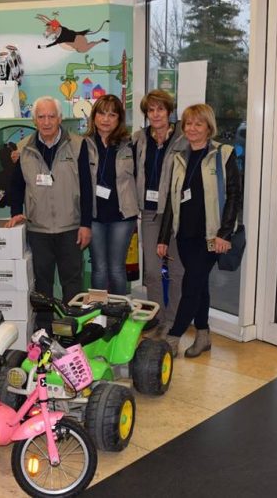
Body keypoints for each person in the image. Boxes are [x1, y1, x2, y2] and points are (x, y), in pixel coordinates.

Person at [157, 103, 241, 358]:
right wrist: (163, 238)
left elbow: (235, 195)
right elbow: (171, 201)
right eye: (188, 123)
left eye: (198, 123)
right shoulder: (179, 157)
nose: (192, 128)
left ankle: (174, 336)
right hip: (185, 236)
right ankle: (203, 334)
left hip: (210, 237)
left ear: (208, 127)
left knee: (191, 285)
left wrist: (224, 233)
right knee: (199, 284)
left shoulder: (223, 154)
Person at [6, 96, 92, 313]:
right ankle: (44, 331)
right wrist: (16, 212)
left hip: (70, 227)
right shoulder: (24, 148)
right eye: (41, 117)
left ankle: (73, 331)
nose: (46, 122)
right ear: (34, 120)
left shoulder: (78, 145)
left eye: (51, 116)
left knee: (72, 284)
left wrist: (86, 224)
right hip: (38, 229)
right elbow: (16, 186)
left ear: (60, 118)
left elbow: (87, 187)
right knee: (42, 285)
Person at [131, 89, 188, 337]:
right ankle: (157, 318)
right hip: (150, 213)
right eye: (151, 110)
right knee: (153, 271)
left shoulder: (184, 138)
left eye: (160, 109)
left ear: (169, 111)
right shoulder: (138, 138)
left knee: (177, 272)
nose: (156, 114)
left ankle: (173, 321)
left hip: (177, 214)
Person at [81, 94, 138, 295]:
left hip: (122, 216)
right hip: (94, 217)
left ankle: (118, 314)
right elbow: (51, 133)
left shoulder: (131, 144)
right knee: (99, 269)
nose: (106, 119)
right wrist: (19, 149)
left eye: (112, 115)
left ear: (119, 119)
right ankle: (98, 316)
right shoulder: (83, 143)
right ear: (94, 116)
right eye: (102, 113)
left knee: (116, 269)